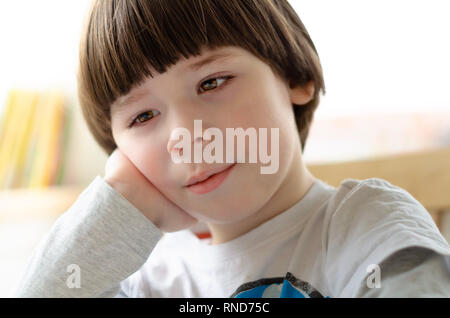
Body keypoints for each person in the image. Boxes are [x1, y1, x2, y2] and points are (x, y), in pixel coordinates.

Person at [13, 0, 450, 298]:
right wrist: (120, 207)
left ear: (295, 76)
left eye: (212, 82)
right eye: (142, 117)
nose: (186, 135)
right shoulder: (147, 279)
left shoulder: (365, 229)